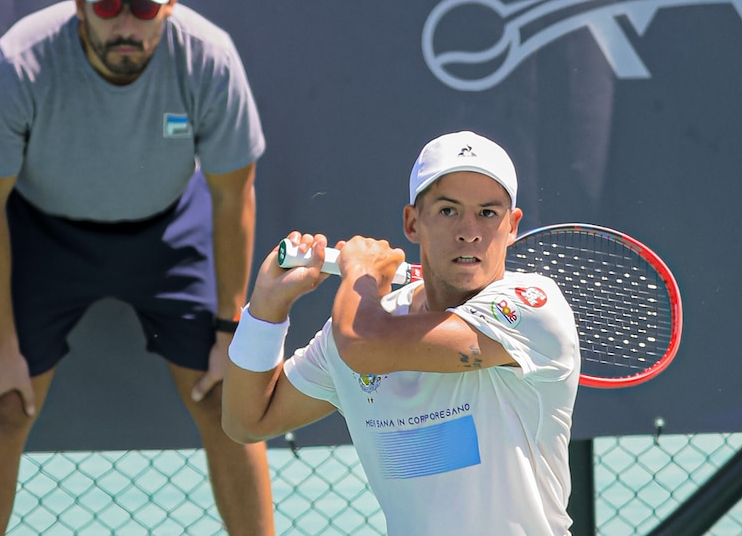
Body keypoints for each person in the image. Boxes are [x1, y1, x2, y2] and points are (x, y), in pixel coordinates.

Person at [0, 0, 274, 535]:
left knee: (226, 399)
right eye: (108, 4)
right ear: (79, 3)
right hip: (41, 237)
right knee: (3, 406)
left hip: (171, 233)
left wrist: (230, 331)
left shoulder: (208, 57)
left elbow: (234, 196)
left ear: (170, 3)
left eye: (144, 5)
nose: (126, 24)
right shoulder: (19, 63)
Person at [222, 130, 582, 535]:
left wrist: (361, 274)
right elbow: (246, 420)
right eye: (448, 211)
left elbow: (365, 345)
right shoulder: (360, 323)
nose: (469, 231)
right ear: (413, 222)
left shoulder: (532, 308)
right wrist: (266, 310)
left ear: (512, 226)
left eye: (487, 212)